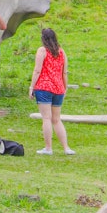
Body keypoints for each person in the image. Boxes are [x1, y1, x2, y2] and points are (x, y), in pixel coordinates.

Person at [29, 26, 74, 156]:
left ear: (43, 39)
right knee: (57, 119)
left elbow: (37, 70)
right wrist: (64, 88)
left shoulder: (42, 51)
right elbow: (64, 73)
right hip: (58, 88)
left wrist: (32, 86)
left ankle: (48, 148)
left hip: (44, 87)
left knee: (46, 118)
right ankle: (66, 148)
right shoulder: (61, 52)